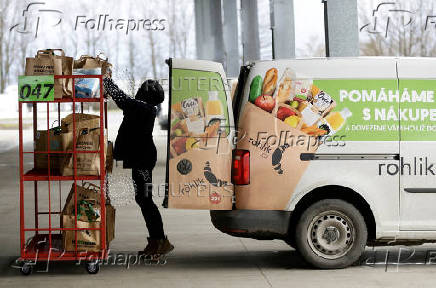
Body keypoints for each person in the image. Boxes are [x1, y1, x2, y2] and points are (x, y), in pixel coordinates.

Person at [103, 77, 174, 256]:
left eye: (142, 89)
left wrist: (107, 82)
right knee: (143, 200)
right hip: (141, 159)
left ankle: (160, 241)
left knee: (146, 200)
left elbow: (122, 99)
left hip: (142, 161)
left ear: (146, 93)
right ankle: (156, 240)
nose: (139, 91)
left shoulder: (143, 108)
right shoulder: (144, 108)